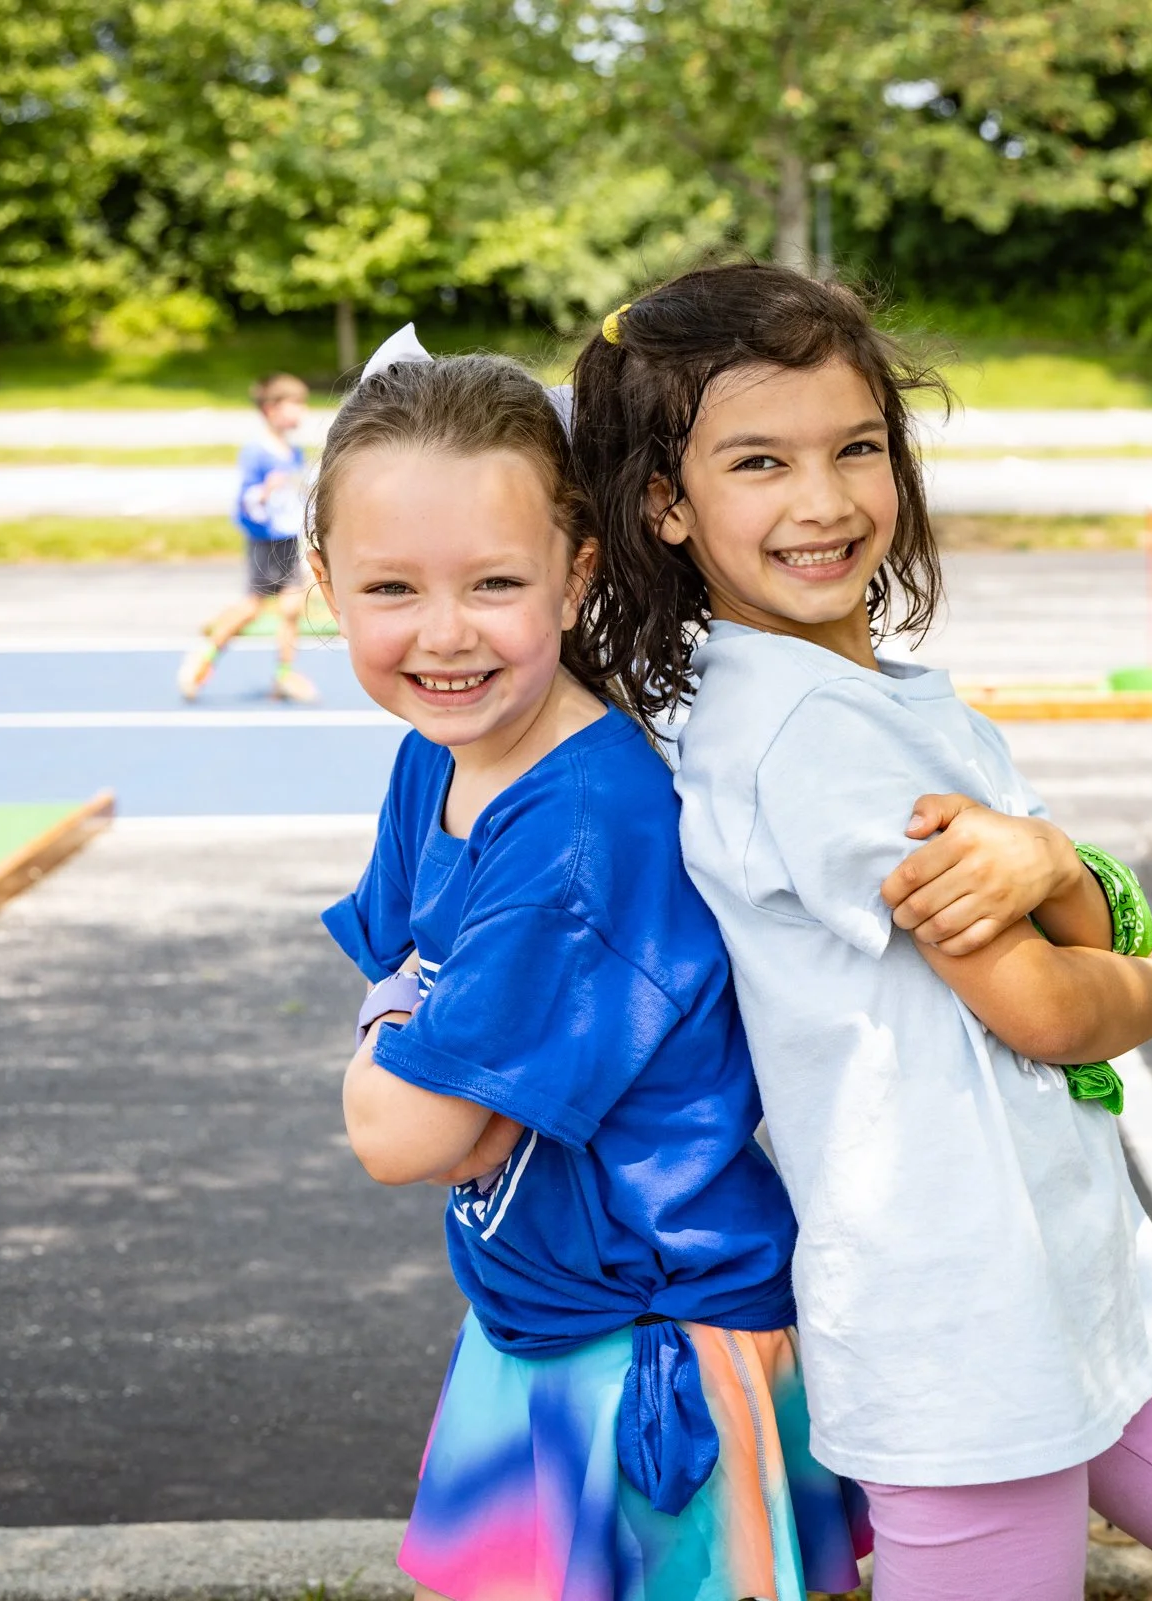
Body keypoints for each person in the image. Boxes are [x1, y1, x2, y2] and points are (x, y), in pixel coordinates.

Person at [569, 265, 1152, 1601]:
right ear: (667, 503)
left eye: (856, 448)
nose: (824, 500)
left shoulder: (869, 696)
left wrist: (1056, 861)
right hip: (962, 1337)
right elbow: (1055, 1010)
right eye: (759, 463)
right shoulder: (803, 732)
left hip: (1084, 1289)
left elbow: (1066, 904)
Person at [307, 342, 870, 1601]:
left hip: (656, 1347)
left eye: (495, 581)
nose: (443, 635)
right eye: (392, 585)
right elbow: (415, 1031)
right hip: (541, 1310)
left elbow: (407, 1131)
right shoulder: (443, 754)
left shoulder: (577, 835)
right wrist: (415, 1022)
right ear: (323, 581)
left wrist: (402, 1023)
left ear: (575, 575)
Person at [177, 372, 319, 702]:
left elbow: (296, 497)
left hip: (285, 539)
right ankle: (204, 655)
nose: (301, 412)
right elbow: (246, 502)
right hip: (264, 541)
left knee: (291, 607)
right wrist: (262, 495)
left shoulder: (294, 453)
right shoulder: (257, 453)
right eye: (294, 405)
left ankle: (283, 675)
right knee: (252, 608)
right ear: (271, 410)